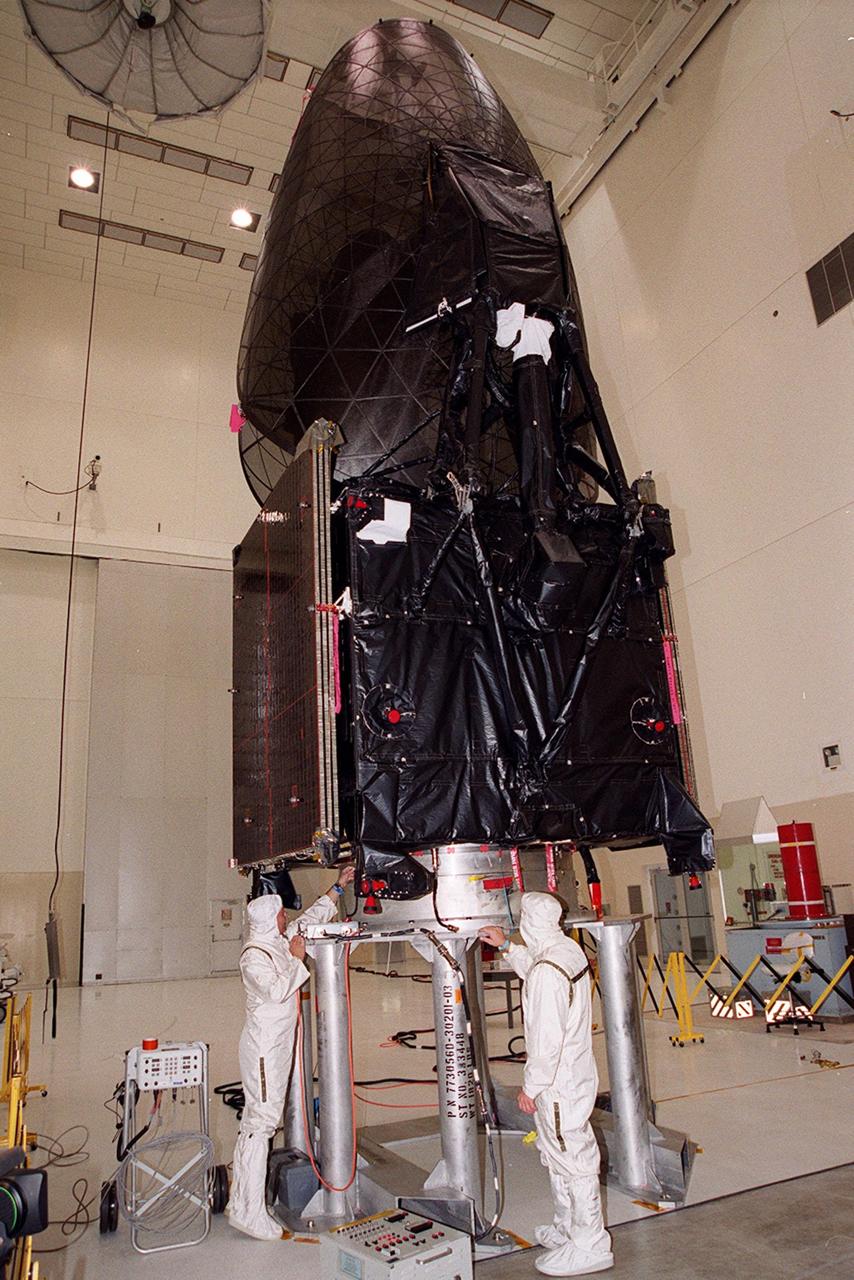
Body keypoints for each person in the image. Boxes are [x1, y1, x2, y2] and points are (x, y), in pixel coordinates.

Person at [479, 892, 612, 1276]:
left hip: (557, 1083)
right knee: (556, 1155)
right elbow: (537, 967)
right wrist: (506, 946)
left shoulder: (547, 972)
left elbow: (545, 1041)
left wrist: (530, 1088)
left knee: (573, 1158)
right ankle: (567, 1227)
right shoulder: (565, 951)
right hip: (573, 1073)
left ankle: (590, 1244)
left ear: (530, 922)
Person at [227, 865, 355, 1240]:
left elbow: (312, 917)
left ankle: (243, 1202)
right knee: (259, 1125)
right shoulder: (254, 956)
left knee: (259, 1124)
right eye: (282, 914)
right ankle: (248, 1211)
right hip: (264, 1052)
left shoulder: (279, 940)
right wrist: (298, 959)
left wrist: (338, 887)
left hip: (278, 1046)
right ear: (270, 919)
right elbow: (277, 990)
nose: (288, 918)